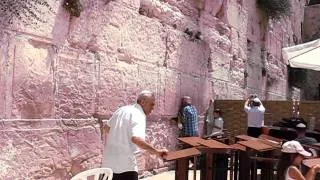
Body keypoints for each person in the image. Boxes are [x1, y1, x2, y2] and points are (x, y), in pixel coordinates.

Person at [96, 90, 168, 180]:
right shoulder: (139, 114)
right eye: (152, 104)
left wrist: (119, 136)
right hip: (125, 168)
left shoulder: (121, 110)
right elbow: (136, 139)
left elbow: (106, 128)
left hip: (107, 166)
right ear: (142, 102)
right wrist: (157, 152)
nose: (152, 109)